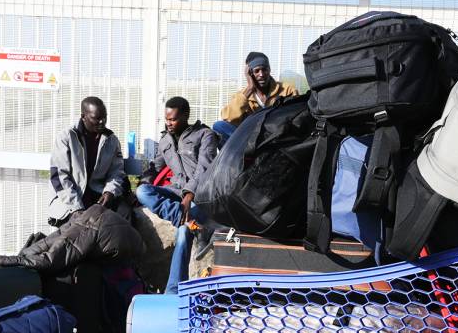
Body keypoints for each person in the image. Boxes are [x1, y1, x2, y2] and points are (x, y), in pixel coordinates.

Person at [137, 96, 218, 294]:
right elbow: (155, 167)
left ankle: (173, 291)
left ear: (185, 116)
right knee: (142, 192)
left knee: (183, 232)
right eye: (166, 119)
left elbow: (204, 170)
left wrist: (189, 194)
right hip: (177, 194)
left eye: (173, 119)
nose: (169, 123)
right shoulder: (165, 139)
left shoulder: (205, 135)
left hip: (201, 196)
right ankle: (181, 217)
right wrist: (143, 181)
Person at [48, 96, 128, 227]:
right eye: (96, 118)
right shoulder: (66, 137)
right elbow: (59, 177)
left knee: (125, 216)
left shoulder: (111, 140)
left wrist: (109, 192)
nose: (102, 122)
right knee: (83, 232)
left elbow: (117, 172)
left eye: (104, 117)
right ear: (83, 117)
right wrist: (76, 208)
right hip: (68, 200)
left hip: (98, 198)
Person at [212, 52, 299, 143]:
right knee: (219, 126)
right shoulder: (243, 95)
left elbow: (297, 118)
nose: (261, 74)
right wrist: (250, 89)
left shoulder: (287, 90)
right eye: (256, 71)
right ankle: (248, 154)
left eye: (264, 70)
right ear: (249, 73)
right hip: (250, 140)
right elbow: (227, 117)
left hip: (277, 138)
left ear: (269, 70)